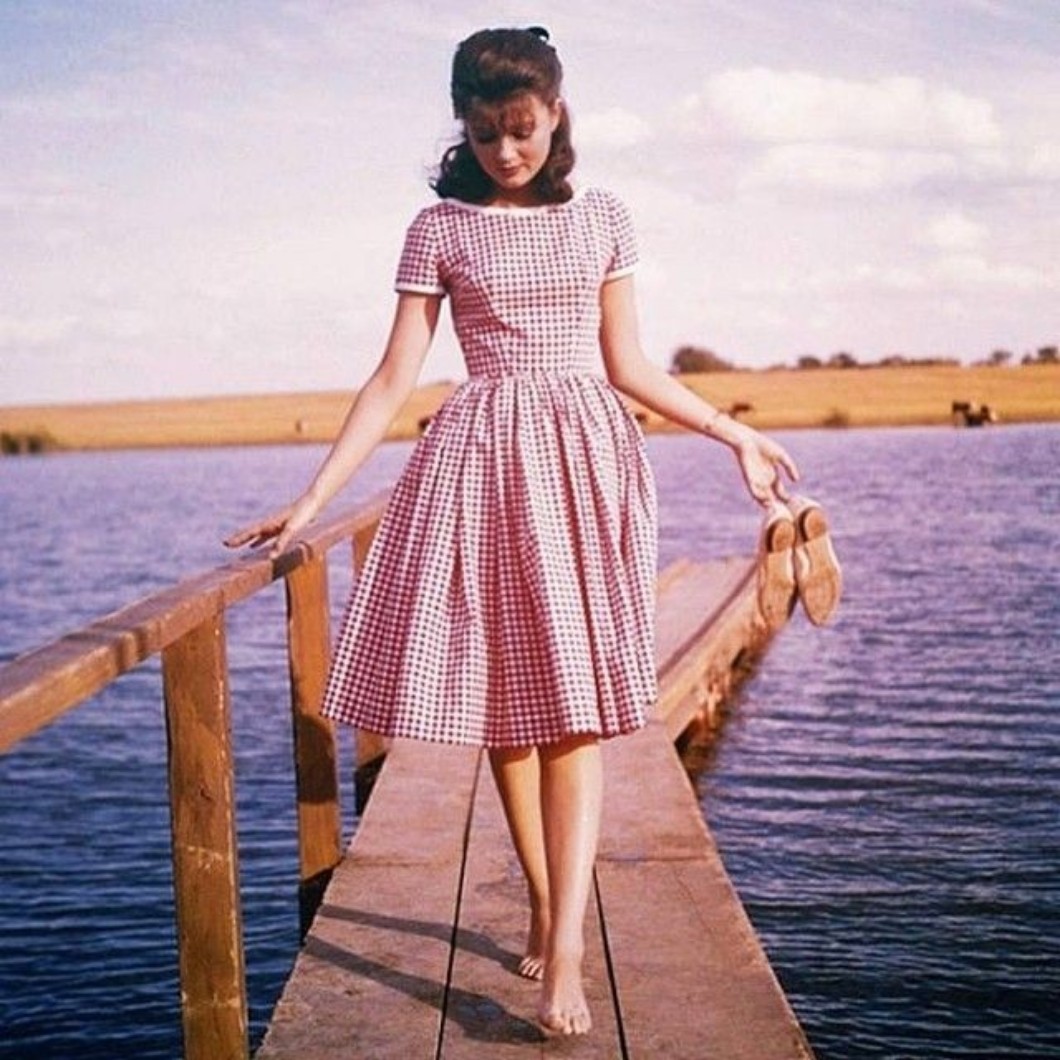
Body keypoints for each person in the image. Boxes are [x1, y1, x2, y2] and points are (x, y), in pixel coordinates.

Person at [226, 25, 799, 1038]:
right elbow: (392, 377)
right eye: (486, 131)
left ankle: (566, 944)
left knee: (573, 711)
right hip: (481, 468)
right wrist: (312, 499)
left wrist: (733, 435)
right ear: (464, 125)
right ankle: (541, 895)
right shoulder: (438, 228)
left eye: (522, 128)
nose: (505, 150)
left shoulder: (603, 218)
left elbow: (629, 363)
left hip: (585, 467)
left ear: (556, 114)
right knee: (508, 707)